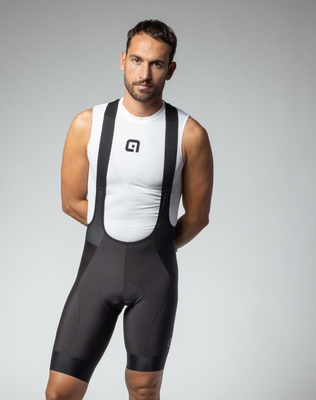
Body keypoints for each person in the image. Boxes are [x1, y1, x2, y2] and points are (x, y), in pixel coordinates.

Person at [45, 19, 213, 400]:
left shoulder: (190, 134)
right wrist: (115, 237)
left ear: (170, 69)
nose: (145, 73)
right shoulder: (88, 124)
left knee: (143, 389)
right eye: (137, 60)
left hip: (153, 279)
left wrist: (154, 247)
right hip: (97, 270)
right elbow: (71, 201)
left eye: (157, 64)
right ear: (123, 60)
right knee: (60, 392)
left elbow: (197, 217)